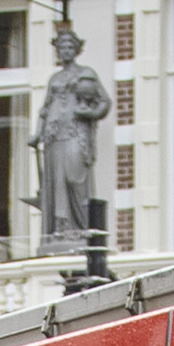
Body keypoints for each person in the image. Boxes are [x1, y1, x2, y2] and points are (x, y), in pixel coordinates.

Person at [36, 23, 110, 265]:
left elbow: (104, 102)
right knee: (56, 182)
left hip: (75, 133)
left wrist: (89, 113)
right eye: (62, 47)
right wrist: (37, 134)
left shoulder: (86, 73)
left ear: (76, 49)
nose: (65, 51)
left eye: (69, 46)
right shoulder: (54, 79)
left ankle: (81, 228)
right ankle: (61, 229)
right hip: (53, 137)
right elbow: (44, 109)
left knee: (74, 178)